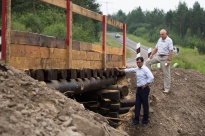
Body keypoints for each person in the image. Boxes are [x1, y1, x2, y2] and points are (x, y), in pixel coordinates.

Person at [116, 57, 154, 126]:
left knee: (145, 105)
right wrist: (120, 70)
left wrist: (146, 84)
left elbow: (151, 77)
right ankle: (136, 121)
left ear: (142, 62)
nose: (138, 64)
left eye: (139, 62)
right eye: (137, 62)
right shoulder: (137, 69)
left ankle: (145, 121)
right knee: (137, 104)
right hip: (139, 89)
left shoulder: (145, 69)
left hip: (144, 89)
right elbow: (130, 70)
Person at [146, 29, 173, 93]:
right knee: (147, 62)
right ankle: (149, 79)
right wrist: (152, 54)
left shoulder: (169, 40)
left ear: (166, 34)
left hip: (165, 57)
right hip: (158, 56)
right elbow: (156, 48)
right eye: (160, 34)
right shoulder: (159, 40)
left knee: (166, 74)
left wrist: (169, 60)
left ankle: (167, 88)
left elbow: (171, 51)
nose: (161, 35)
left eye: (162, 34)